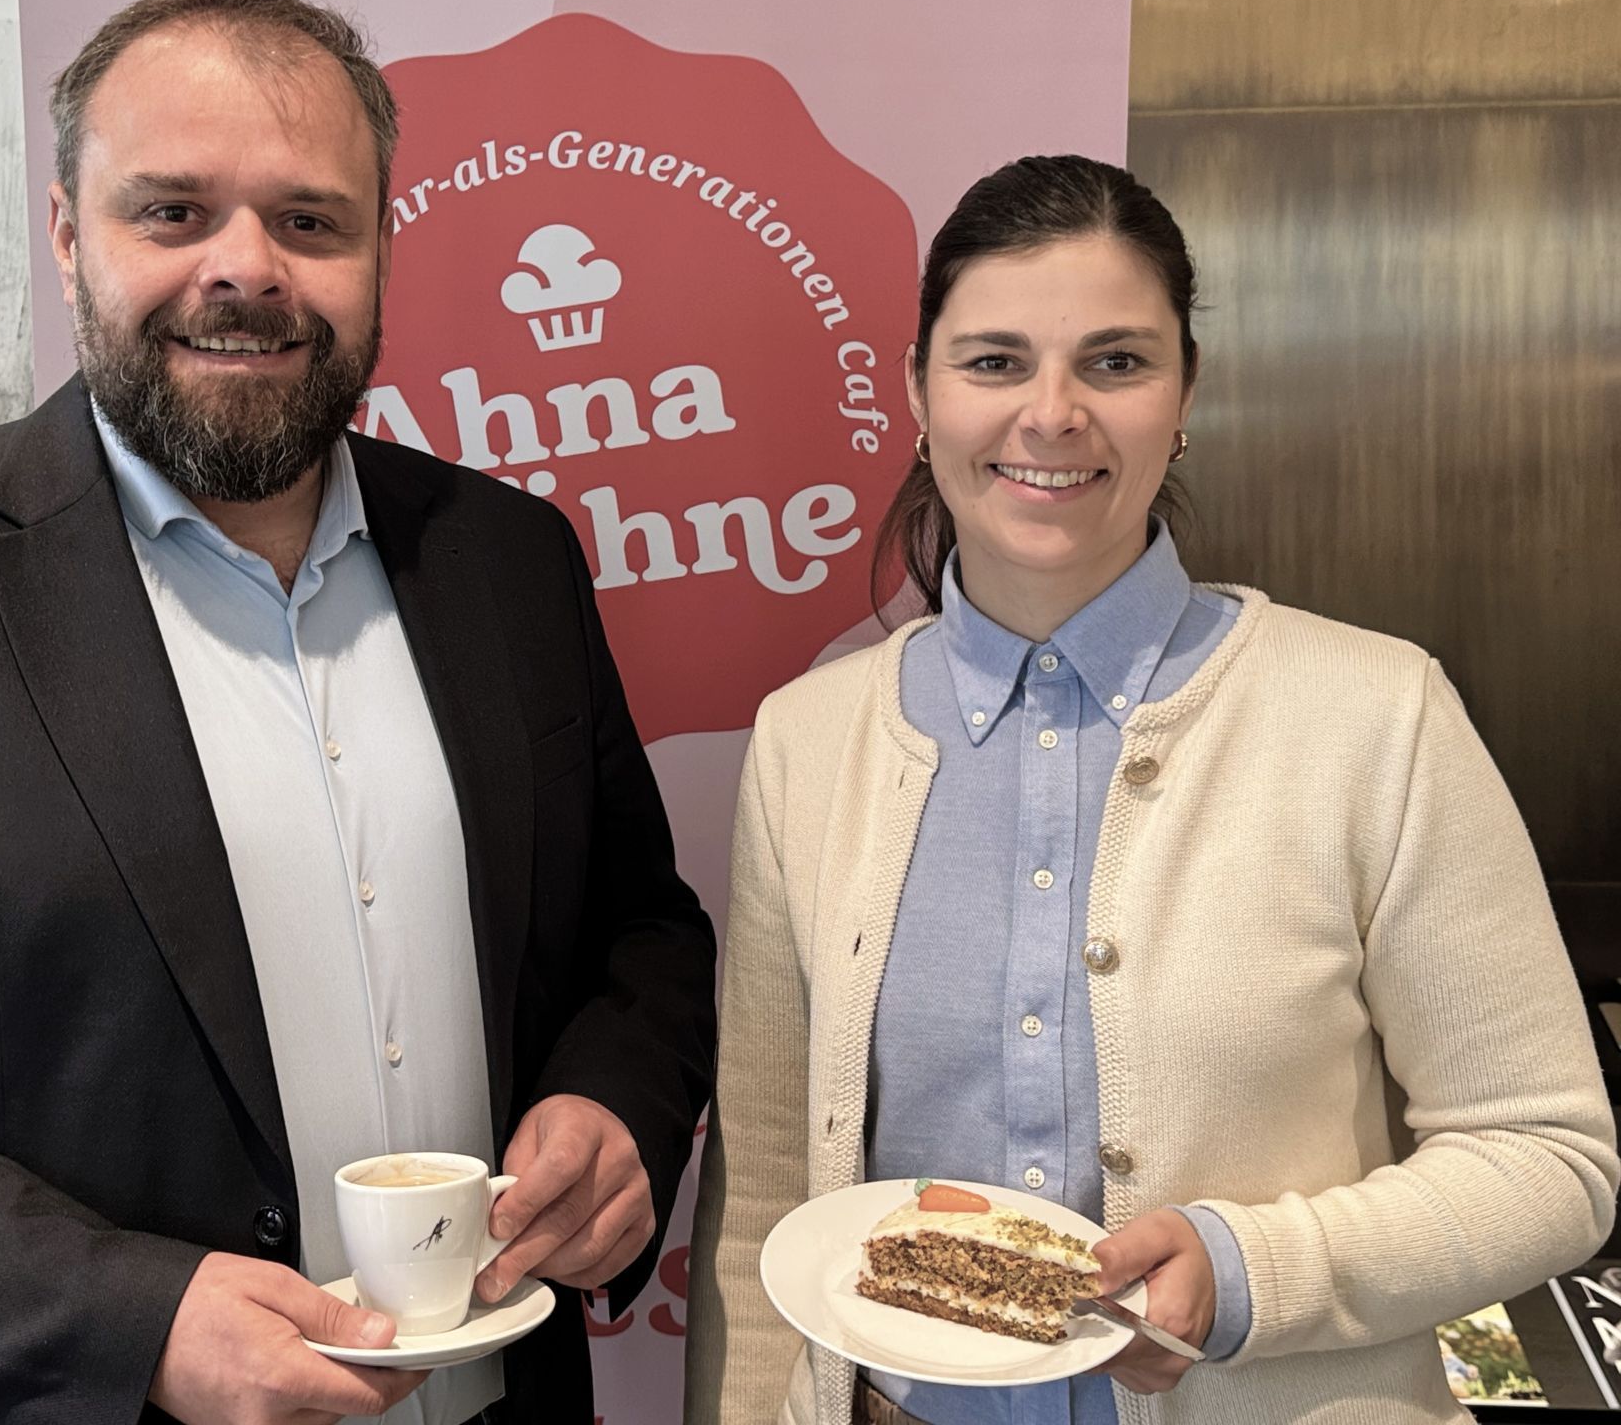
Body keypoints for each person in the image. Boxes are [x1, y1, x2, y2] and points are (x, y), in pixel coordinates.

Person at [0, 0, 717, 1425]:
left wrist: (619, 1108)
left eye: (310, 221)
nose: (246, 269)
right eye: (173, 213)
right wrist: (132, 1321)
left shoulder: (508, 560)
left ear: (381, 248)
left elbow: (640, 928)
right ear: (70, 236)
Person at [683, 154, 1617, 1424]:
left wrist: (1250, 1274)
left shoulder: (1376, 718)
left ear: (1184, 395)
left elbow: (1546, 1158)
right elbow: (763, 1200)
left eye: (1114, 362)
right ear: (916, 392)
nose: (1051, 414)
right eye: (993, 361)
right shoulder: (807, 741)